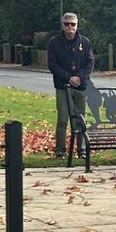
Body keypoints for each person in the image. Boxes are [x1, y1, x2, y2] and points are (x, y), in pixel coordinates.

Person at [47, 12, 95, 157]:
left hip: (80, 86)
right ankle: (60, 151)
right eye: (66, 24)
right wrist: (68, 78)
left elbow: (90, 63)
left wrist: (79, 77)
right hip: (63, 86)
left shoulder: (85, 42)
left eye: (72, 24)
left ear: (77, 25)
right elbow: (52, 65)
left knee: (81, 119)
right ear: (62, 25)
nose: (70, 27)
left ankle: (81, 150)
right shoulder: (54, 42)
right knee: (62, 119)